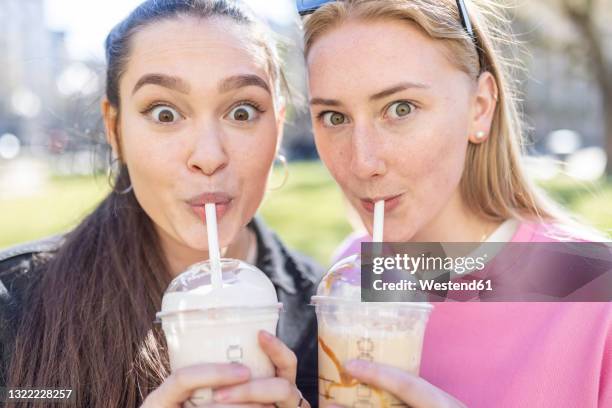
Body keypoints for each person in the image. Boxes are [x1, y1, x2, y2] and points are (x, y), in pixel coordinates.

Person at [0, 1, 320, 406]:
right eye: (165, 113)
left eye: (242, 111)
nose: (208, 155)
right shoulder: (14, 304)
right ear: (115, 130)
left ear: (277, 126)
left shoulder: (332, 317)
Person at [301, 0, 611, 406]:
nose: (363, 162)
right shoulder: (354, 273)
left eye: (401, 108)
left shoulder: (595, 288)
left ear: (479, 108)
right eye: (334, 117)